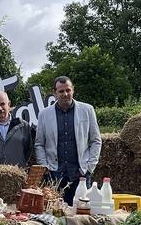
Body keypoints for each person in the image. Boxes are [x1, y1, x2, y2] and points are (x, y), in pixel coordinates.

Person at [34, 76, 102, 205]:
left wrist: (90, 167)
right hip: (55, 175)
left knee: (82, 212)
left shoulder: (87, 110)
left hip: (80, 173)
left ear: (73, 90)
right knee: (55, 212)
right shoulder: (44, 114)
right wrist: (44, 166)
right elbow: (39, 144)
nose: (65, 94)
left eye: (68, 90)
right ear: (54, 93)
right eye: (61, 91)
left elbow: (95, 140)